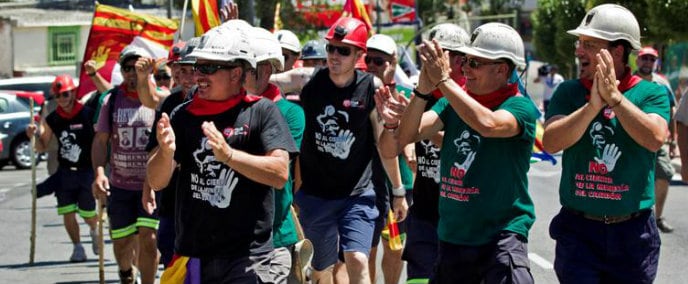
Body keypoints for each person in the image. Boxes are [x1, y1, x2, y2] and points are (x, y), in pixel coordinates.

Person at [381, 22, 539, 283]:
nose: (465, 68)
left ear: (501, 69)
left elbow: (488, 124)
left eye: (474, 63)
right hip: (454, 237)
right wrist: (423, 87)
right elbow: (408, 135)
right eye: (465, 60)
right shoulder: (451, 101)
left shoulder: (519, 107)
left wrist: (443, 80)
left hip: (500, 236)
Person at [147, 21, 297, 283]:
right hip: (196, 255)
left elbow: (280, 172)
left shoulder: (262, 112)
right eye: (197, 68)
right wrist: (165, 151)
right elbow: (157, 180)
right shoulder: (182, 116)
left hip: (249, 257)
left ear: (236, 73)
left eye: (209, 68)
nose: (198, 76)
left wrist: (229, 156)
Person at [542, 4, 668, 283]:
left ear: (617, 51)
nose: (578, 50)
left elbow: (655, 138)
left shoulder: (651, 93)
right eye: (579, 42)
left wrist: (615, 99)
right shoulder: (569, 92)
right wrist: (591, 107)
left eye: (589, 44)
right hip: (578, 232)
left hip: (633, 234)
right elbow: (550, 142)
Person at [294, 17, 407, 284]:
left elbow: (383, 145)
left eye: (343, 50)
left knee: (357, 258)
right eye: (331, 48)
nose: (334, 56)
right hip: (316, 196)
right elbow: (267, 78)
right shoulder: (310, 81)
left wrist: (399, 191)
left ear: (359, 54)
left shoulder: (371, 88)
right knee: (322, 270)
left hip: (357, 195)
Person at [399, 23, 470, 284]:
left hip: (464, 220)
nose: (428, 59)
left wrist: (421, 130)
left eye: (436, 53)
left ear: (459, 59)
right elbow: (400, 140)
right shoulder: (421, 95)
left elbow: (465, 145)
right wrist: (401, 124)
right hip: (425, 214)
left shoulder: (471, 98)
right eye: (426, 53)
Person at [91, 45, 159, 284]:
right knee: (122, 244)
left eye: (138, 67)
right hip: (120, 187)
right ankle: (126, 273)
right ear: (121, 70)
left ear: (148, 69)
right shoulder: (111, 100)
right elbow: (100, 142)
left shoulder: (158, 99)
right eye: (127, 68)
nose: (132, 72)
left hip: (151, 186)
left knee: (149, 241)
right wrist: (99, 173)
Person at [245, 26, 306, 283]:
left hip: (275, 238)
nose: (234, 74)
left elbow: (277, 170)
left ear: (266, 70)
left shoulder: (291, 113)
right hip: (227, 240)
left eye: (244, 67)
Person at [141, 37, 201, 268]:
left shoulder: (219, 103)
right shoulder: (170, 106)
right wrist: (148, 189)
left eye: (191, 70)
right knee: (169, 253)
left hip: (204, 202)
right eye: (179, 69)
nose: (185, 77)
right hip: (171, 199)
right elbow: (154, 150)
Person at [26, 75, 99, 262]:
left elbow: (101, 140)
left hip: (86, 172)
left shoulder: (88, 114)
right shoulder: (53, 119)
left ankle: (94, 229)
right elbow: (41, 146)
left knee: (88, 213)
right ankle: (77, 248)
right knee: (67, 212)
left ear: (73, 93)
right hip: (65, 172)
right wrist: (33, 136)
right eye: (58, 96)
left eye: (65, 94)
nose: (62, 99)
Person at [634, 46, 677, 233]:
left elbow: (672, 112)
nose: (648, 63)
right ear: (637, 60)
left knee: (665, 172)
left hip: (657, 140)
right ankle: (632, 216)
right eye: (645, 59)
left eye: (652, 59)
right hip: (632, 141)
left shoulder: (662, 84)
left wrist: (673, 140)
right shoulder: (629, 81)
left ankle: (657, 217)